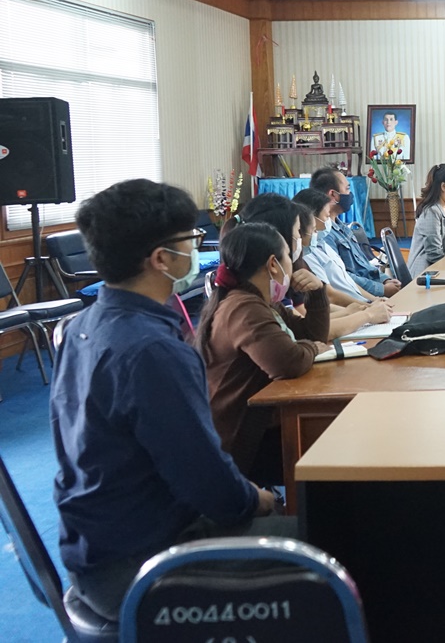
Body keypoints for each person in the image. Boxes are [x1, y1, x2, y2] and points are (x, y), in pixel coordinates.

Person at [50, 179, 288, 621]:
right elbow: (207, 482)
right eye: (190, 241)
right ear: (162, 259)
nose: (196, 250)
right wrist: (256, 500)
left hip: (93, 548)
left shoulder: (82, 325)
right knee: (329, 542)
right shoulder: (152, 351)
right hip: (144, 564)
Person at [197, 222, 328, 484]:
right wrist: (312, 349)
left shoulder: (263, 302)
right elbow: (288, 362)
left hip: (257, 427)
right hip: (240, 444)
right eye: (288, 258)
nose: (292, 265)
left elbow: (310, 335)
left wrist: (318, 293)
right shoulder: (244, 307)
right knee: (327, 444)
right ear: (272, 264)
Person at [310, 166, 400, 297]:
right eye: (347, 189)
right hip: (361, 297)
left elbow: (365, 265)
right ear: (333, 195)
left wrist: (385, 280)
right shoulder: (324, 234)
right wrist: (382, 289)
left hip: (375, 293)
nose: (350, 194)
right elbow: (343, 277)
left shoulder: (343, 228)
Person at [292, 188, 377, 305]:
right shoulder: (307, 253)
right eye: (327, 216)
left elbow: (347, 280)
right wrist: (369, 308)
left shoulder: (323, 244)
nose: (329, 222)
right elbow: (330, 295)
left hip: (360, 305)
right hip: (349, 309)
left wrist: (374, 300)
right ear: (311, 218)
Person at [409, 163, 445, 276]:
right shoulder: (431, 211)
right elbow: (434, 253)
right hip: (425, 273)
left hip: (439, 268)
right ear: (443, 186)